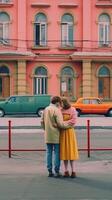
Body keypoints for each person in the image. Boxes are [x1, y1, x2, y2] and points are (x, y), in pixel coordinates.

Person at [41, 96, 73, 178]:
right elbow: (60, 124)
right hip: (56, 135)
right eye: (59, 103)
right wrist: (69, 126)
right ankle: (57, 171)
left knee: (48, 152)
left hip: (47, 135)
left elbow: (42, 122)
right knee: (56, 153)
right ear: (57, 102)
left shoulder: (46, 109)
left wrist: (46, 129)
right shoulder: (57, 110)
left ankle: (49, 171)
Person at [60, 97, 79, 178]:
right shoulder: (62, 110)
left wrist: (63, 123)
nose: (60, 105)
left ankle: (72, 171)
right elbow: (72, 121)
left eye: (61, 103)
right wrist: (67, 123)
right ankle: (67, 171)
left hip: (65, 132)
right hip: (69, 131)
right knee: (65, 152)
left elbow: (74, 121)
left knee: (70, 152)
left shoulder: (71, 109)